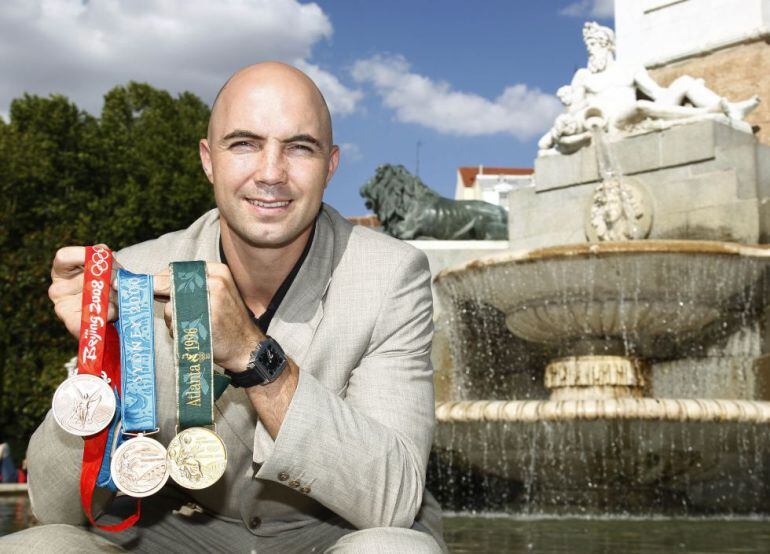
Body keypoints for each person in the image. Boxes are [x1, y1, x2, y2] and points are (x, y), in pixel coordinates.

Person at [1, 62, 445, 553]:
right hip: (173, 532)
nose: (272, 173)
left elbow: (394, 500)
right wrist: (101, 363)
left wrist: (256, 358)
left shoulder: (391, 275)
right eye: (244, 144)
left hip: (326, 533)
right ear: (208, 160)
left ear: (331, 165)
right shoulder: (136, 274)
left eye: (299, 147)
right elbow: (53, 507)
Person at [539, 21, 760, 154]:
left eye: (595, 46)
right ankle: (708, 113)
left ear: (608, 46)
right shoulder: (583, 76)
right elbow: (575, 112)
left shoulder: (630, 68)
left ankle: (731, 110)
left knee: (683, 82)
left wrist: (685, 93)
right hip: (612, 124)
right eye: (589, 48)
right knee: (642, 106)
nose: (591, 52)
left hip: (641, 111)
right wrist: (569, 103)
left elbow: (657, 93)